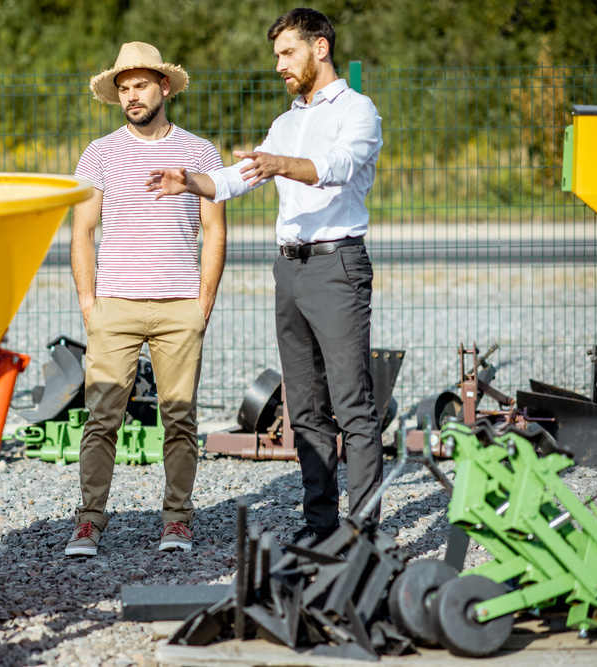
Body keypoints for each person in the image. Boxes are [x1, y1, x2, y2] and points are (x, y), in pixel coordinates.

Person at [147, 8, 384, 544]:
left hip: (337, 266)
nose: (279, 64)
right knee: (305, 407)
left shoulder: (357, 110)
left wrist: (281, 164)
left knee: (353, 405)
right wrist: (189, 181)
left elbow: (339, 167)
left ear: (319, 48)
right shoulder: (285, 122)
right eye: (276, 54)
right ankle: (321, 526)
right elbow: (235, 178)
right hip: (290, 271)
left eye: (287, 52)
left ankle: (364, 534)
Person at [65, 41, 226, 557]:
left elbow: (215, 231)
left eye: (140, 85)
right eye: (123, 88)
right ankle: (90, 520)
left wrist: (203, 303)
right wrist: (90, 304)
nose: (132, 96)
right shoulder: (100, 152)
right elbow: (82, 231)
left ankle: (176, 520)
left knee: (180, 419)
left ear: (163, 87)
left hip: (181, 306)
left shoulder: (201, 152)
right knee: (101, 417)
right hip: (115, 304)